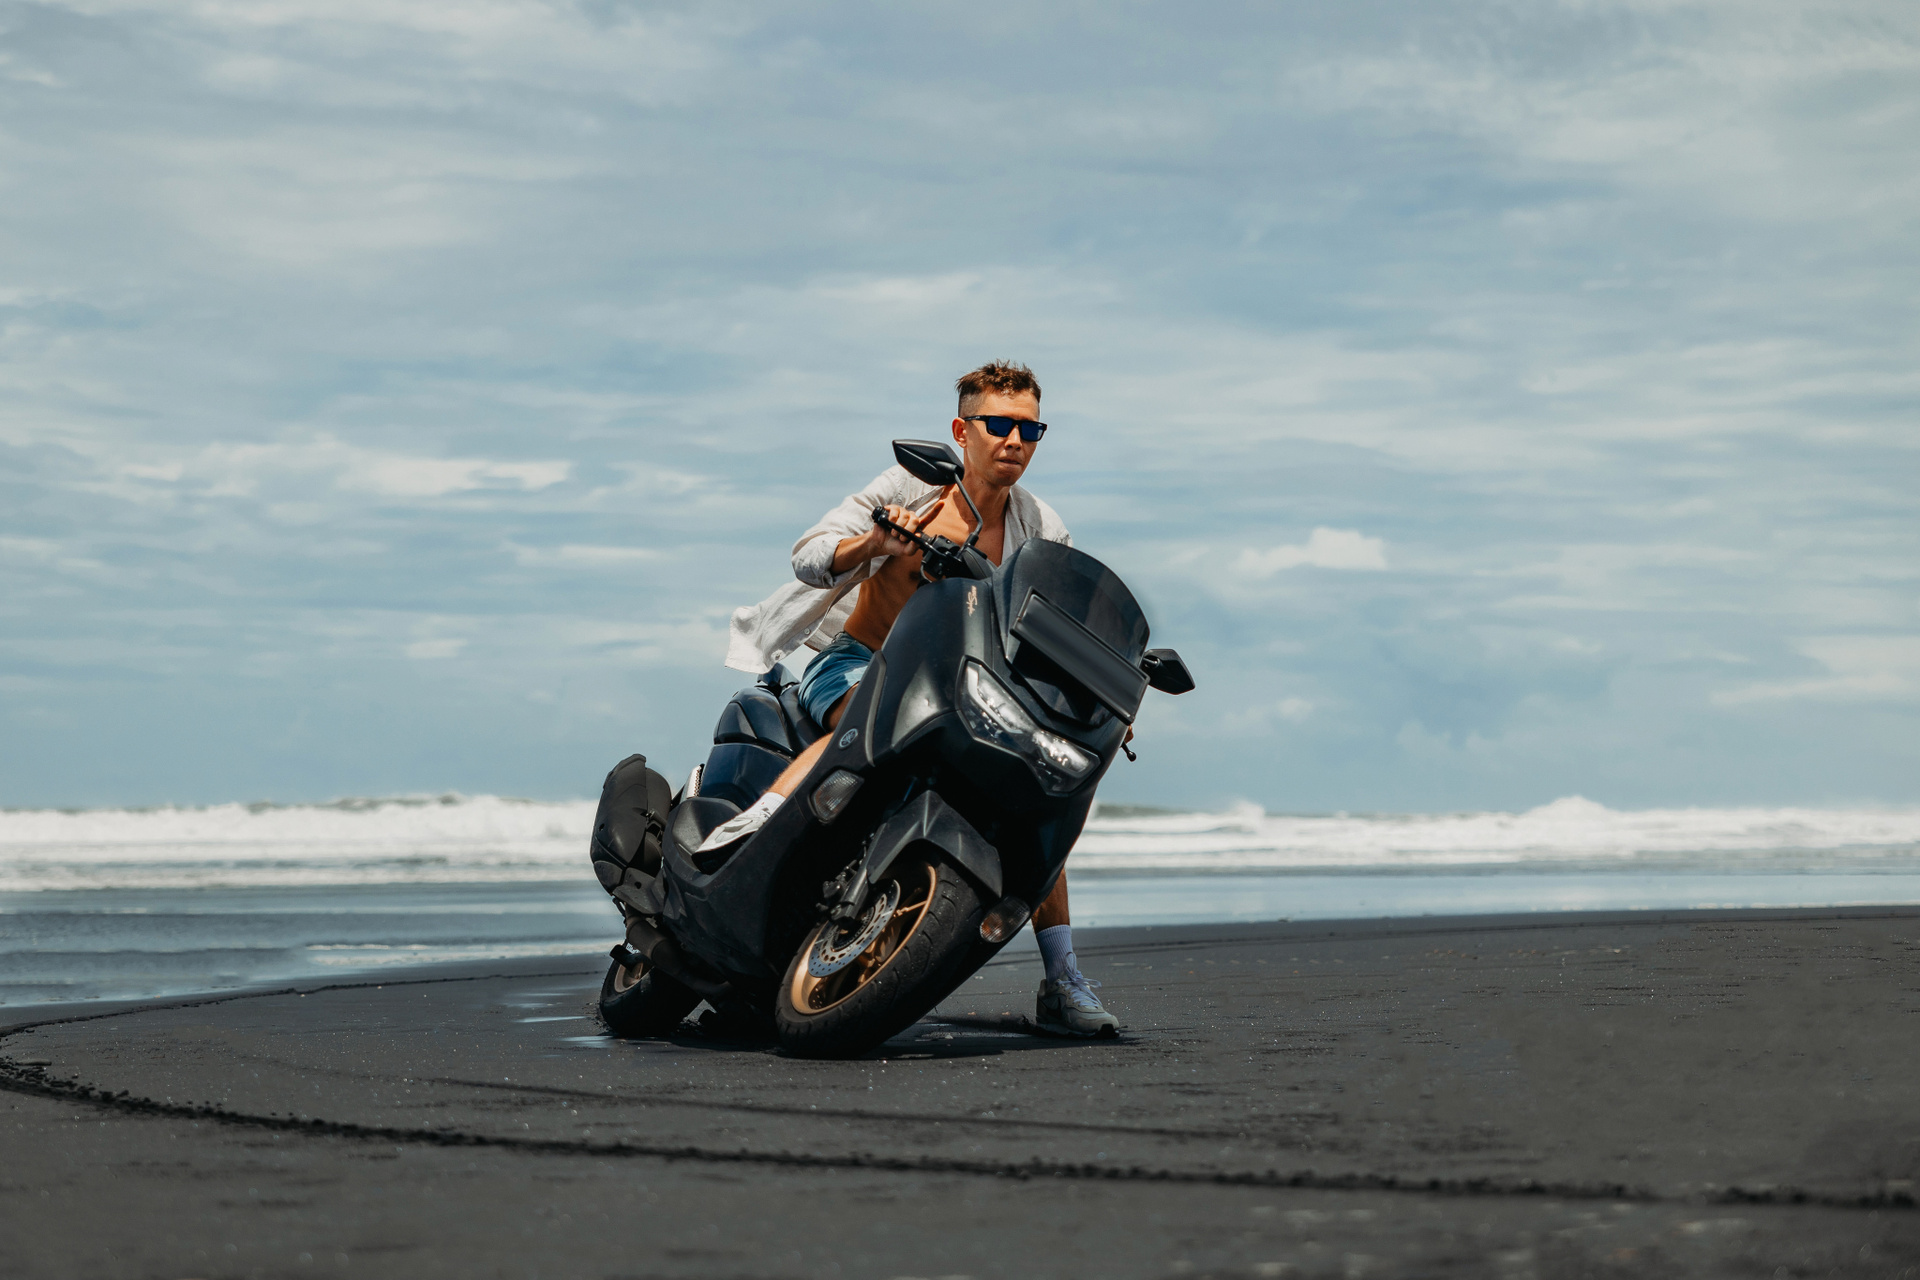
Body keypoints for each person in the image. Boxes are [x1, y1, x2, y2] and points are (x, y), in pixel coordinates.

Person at [709, 360, 1118, 1037]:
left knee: (1039, 803)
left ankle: (1064, 979)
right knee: (865, 729)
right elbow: (808, 554)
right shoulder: (910, 487)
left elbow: (1066, 625)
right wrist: (873, 541)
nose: (1015, 441)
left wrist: (1102, 691)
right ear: (962, 430)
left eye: (1030, 429)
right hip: (860, 662)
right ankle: (752, 830)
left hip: (966, 691)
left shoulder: (1041, 527)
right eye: (999, 425)